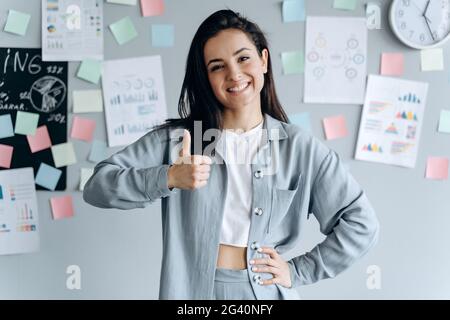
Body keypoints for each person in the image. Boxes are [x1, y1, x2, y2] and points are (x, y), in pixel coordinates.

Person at [83, 9, 379, 300]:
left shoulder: (299, 148)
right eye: (217, 66)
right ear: (207, 78)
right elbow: (97, 187)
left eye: (243, 58)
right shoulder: (182, 140)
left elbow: (361, 224)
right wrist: (170, 177)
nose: (234, 74)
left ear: (263, 60)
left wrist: (298, 271)